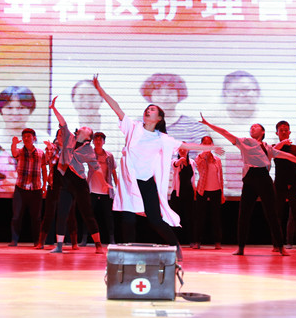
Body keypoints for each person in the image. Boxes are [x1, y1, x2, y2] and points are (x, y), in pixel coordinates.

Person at [93, 76, 223, 259]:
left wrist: (211, 147)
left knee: (155, 219)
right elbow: (116, 108)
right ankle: (128, 253)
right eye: (147, 108)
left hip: (146, 182)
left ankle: (175, 245)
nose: (148, 110)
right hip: (130, 181)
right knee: (128, 217)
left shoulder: (161, 138)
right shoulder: (133, 127)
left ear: (159, 118)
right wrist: (100, 90)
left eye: (152, 109)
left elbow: (185, 145)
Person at [200, 116, 296, 256]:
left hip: (264, 178)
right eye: (251, 127)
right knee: (243, 214)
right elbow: (225, 132)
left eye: (256, 126)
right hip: (249, 179)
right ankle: (240, 247)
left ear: (263, 132)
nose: (252, 127)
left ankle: (280, 247)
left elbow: (285, 155)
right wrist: (208, 124)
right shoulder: (245, 142)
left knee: (272, 214)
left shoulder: (267, 147)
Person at [48, 97, 106, 254]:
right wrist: (54, 109)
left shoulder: (88, 150)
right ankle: (59, 246)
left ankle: (98, 245)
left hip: (79, 183)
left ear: (88, 136)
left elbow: (96, 168)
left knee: (87, 213)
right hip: (65, 181)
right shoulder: (68, 137)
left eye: (86, 128)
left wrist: (104, 183)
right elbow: (63, 123)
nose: (82, 127)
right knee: (62, 213)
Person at [0, 86, 40, 195]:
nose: (15, 113)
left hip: (31, 196)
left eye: (21, 107)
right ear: (1, 109)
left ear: (30, 109)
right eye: (9, 108)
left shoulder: (43, 139)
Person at [220, 71, 262, 197]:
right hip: (223, 193)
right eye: (235, 91)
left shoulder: (274, 120)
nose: (241, 95)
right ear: (225, 93)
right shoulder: (211, 121)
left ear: (257, 92)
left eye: (247, 90)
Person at [140, 73, 207, 145]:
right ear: (150, 96)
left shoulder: (193, 125)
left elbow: (206, 150)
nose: (164, 98)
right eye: (158, 93)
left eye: (170, 93)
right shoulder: (139, 124)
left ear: (179, 95)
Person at [9, 128, 48, 246]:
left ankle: (37, 241)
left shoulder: (40, 153)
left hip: (36, 189)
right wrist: (14, 143)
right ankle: (14, 240)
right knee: (16, 216)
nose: (26, 139)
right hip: (20, 188)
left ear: (34, 138)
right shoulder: (20, 151)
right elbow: (14, 152)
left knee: (36, 217)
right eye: (24, 137)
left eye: (29, 136)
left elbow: (44, 169)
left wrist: (45, 185)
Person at [273, 120, 296, 251]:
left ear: (290, 132)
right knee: (277, 216)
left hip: (294, 184)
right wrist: (282, 143)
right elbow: (272, 153)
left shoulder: (295, 148)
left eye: (286, 130)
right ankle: (277, 244)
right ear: (277, 133)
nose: (284, 132)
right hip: (279, 184)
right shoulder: (274, 147)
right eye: (281, 130)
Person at [194, 135, 225, 249]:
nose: (207, 145)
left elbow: (220, 177)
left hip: (216, 190)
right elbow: (198, 164)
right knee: (200, 217)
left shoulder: (217, 159)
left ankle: (217, 241)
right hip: (202, 190)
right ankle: (197, 241)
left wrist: (222, 193)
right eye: (205, 143)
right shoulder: (199, 158)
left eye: (209, 143)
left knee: (216, 217)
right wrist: (205, 153)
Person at [89, 132, 118, 244]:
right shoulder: (90, 154)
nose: (98, 142)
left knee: (108, 216)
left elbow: (113, 172)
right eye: (96, 140)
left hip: (106, 191)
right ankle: (84, 238)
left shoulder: (109, 156)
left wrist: (117, 186)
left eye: (100, 140)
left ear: (104, 142)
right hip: (92, 189)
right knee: (89, 215)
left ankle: (111, 238)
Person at [170, 147, 196, 246]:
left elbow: (193, 178)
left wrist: (194, 190)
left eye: (184, 149)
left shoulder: (192, 162)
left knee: (189, 217)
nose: (182, 151)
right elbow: (175, 165)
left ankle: (191, 240)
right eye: (180, 149)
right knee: (176, 217)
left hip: (188, 192)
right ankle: (175, 240)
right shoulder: (175, 161)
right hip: (177, 193)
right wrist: (181, 159)